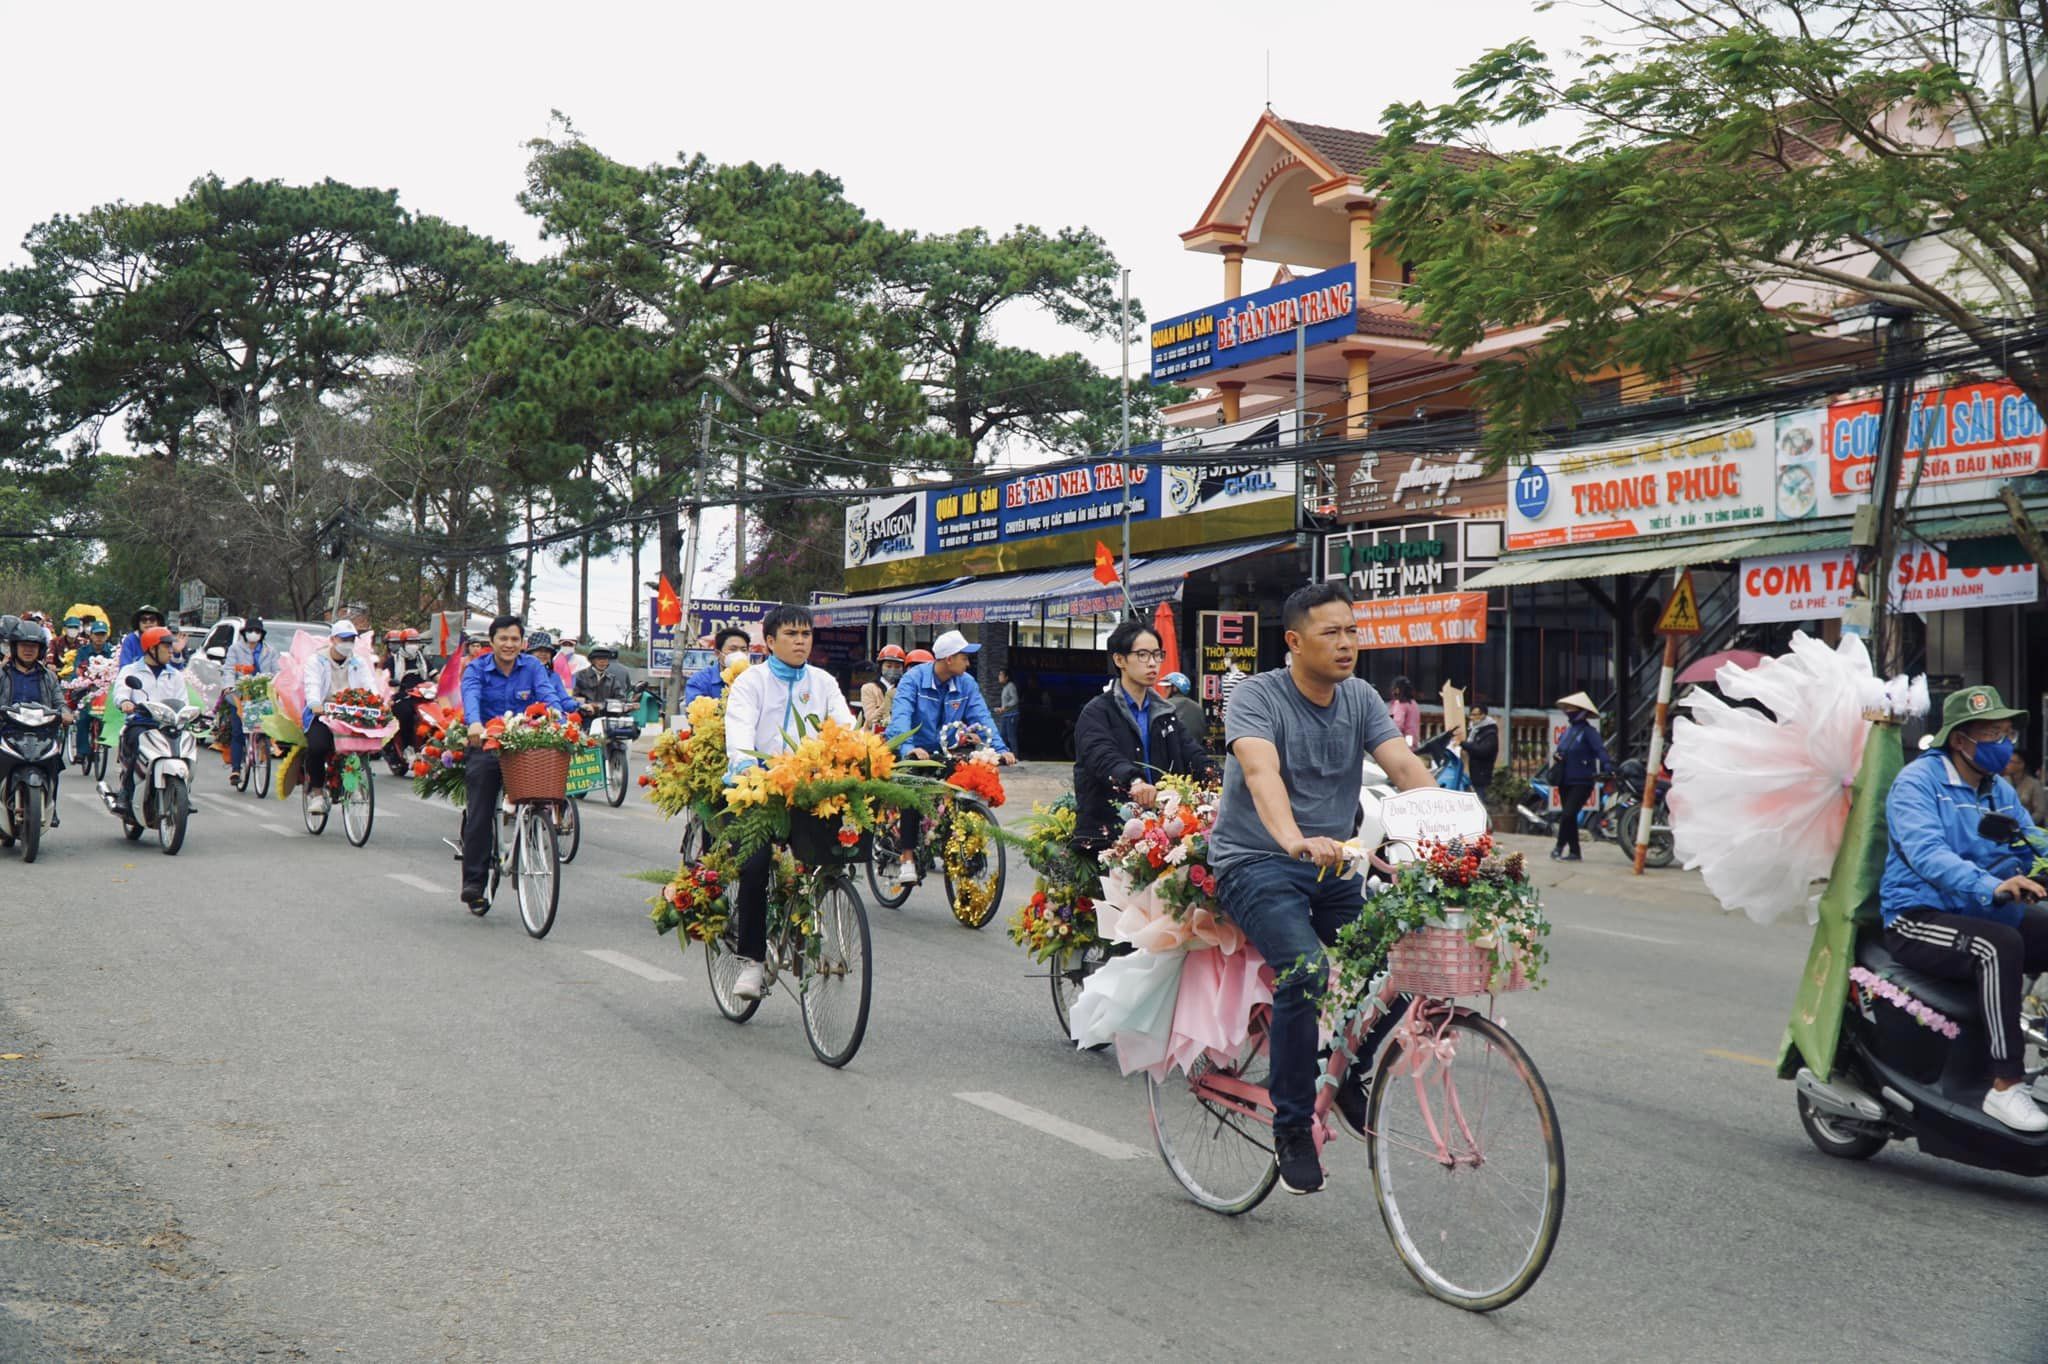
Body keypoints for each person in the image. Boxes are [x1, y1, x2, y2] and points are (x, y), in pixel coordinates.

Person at [1208, 581, 1436, 1195]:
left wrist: (1461, 831)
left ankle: (1348, 1071)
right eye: (1331, 633)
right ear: (1294, 641)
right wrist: (1291, 839)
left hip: (1334, 864)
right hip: (1256, 861)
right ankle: (1290, 1128)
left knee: (1403, 960)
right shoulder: (1256, 696)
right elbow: (1261, 773)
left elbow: (1406, 768)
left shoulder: (1360, 698)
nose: (1347, 644)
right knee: (1305, 972)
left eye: (1353, 631)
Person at [1881, 685, 2048, 1132]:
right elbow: (1927, 855)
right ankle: (2005, 1086)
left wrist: (2041, 866)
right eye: (1992, 734)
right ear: (1960, 740)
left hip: (1982, 910)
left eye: (2007, 733)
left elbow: (2031, 842)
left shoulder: (1998, 789)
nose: (2004, 744)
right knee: (1998, 947)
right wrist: (1993, 885)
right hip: (1918, 915)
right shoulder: (1918, 783)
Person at [722, 604, 857, 1000]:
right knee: (755, 862)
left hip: (810, 790)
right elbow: (740, 730)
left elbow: (844, 727)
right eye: (791, 634)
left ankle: (803, 927)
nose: (801, 641)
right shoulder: (753, 682)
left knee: (831, 853)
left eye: (806, 634)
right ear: (770, 640)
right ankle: (751, 960)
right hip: (760, 787)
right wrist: (746, 764)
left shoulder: (824, 681)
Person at [458, 616, 576, 908]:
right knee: (481, 811)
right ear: (492, 641)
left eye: (514, 639)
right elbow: (470, 696)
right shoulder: (477, 668)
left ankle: (532, 823)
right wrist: (474, 724)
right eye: (503, 639)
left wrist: (559, 719)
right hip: (486, 743)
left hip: (525, 744)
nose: (509, 645)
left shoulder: (533, 667)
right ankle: (474, 883)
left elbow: (548, 696)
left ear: (522, 643)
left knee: (541, 792)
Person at [1072, 622, 1217, 854]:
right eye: (1142, 655)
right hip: (1110, 839)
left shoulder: (1166, 714)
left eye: (1157, 655)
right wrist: (1134, 781)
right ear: (1119, 660)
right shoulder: (1097, 712)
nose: (1152, 663)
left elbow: (1193, 754)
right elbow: (1102, 755)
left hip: (1163, 836)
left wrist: (1218, 779)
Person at [886, 629, 1017, 886]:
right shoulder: (913, 679)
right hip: (916, 752)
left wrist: (1001, 750)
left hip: (946, 751)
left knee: (965, 784)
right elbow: (900, 716)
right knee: (913, 793)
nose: (968, 663)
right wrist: (909, 748)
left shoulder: (966, 683)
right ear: (949, 659)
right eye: (964, 658)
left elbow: (982, 717)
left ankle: (951, 843)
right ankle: (908, 858)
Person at [300, 621, 379, 815]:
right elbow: (312, 685)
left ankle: (354, 784)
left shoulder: (358, 662)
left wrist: (377, 703)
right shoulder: (316, 661)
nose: (347, 643)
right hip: (323, 713)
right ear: (333, 640)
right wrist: (315, 704)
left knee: (361, 746)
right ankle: (317, 793)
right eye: (343, 639)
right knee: (317, 747)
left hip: (351, 713)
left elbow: (369, 686)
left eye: (351, 640)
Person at [112, 626, 187, 817]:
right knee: (137, 747)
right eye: (166, 646)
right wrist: (126, 702)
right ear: (152, 648)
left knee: (186, 746)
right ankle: (125, 793)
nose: (171, 650)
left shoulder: (175, 675)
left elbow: (183, 701)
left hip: (169, 726)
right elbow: (120, 693)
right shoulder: (131, 671)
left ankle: (182, 793)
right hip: (141, 724)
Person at [1549, 691, 1611, 862]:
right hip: (1564, 779)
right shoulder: (1567, 732)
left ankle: (1559, 847)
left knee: (1568, 815)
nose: (1568, 711)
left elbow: (1600, 750)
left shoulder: (1589, 732)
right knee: (1569, 817)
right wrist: (1557, 756)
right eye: (1567, 708)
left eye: (1571, 708)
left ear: (1581, 711)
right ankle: (1575, 852)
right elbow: (1559, 751)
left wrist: (1608, 766)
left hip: (1583, 780)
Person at [222, 618, 280, 788]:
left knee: (264, 730)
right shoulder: (235, 649)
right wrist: (229, 686)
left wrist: (278, 687)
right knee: (238, 732)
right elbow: (228, 669)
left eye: (257, 631)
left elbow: (277, 671)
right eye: (251, 630)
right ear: (245, 633)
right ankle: (236, 769)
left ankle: (262, 749)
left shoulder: (270, 651)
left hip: (262, 696)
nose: (254, 634)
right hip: (240, 695)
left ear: (261, 634)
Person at [685, 627, 752, 705]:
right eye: (733, 649)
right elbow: (696, 710)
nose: (739, 654)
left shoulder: (753, 677)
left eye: (743, 650)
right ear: (717, 653)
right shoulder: (700, 680)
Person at [860, 644, 907, 734]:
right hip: (874, 739)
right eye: (888, 666)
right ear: (881, 667)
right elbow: (870, 721)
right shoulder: (869, 688)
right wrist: (889, 699)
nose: (893, 670)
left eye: (897, 667)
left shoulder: (906, 688)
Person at [572, 644, 631, 708]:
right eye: (599, 658)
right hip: (585, 714)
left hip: (607, 715)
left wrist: (625, 704)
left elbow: (621, 699)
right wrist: (585, 705)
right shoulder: (579, 676)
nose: (602, 662)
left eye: (605, 659)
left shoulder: (612, 679)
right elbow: (573, 697)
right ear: (592, 660)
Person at [1162, 672, 1207, 751]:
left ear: (1175, 688)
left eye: (1167, 687)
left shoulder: (1165, 706)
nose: (1164, 689)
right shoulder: (1198, 707)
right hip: (1195, 754)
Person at [1465, 698, 1502, 793]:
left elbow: (1481, 751)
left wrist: (1463, 743)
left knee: (1481, 800)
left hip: (1483, 776)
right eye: (1471, 714)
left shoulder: (1490, 733)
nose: (1471, 718)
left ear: (1483, 715)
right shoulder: (1474, 730)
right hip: (1475, 774)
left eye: (1475, 715)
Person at [2006, 750, 2048, 827]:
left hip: (2026, 827)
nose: (2007, 764)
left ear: (2021, 765)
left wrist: (2025, 823)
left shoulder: (2034, 784)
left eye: (2011, 761)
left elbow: (2040, 811)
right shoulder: (2003, 781)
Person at [1386, 675, 1421, 746]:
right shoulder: (1414, 703)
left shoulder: (1400, 704)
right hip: (1413, 739)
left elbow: (1397, 724)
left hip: (1402, 741)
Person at [995, 666, 1022, 754]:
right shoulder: (1005, 687)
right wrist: (1001, 709)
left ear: (1007, 677)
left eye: (1001, 675)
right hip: (1005, 715)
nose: (999, 677)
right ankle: (1004, 754)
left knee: (1011, 737)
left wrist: (1004, 707)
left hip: (1012, 716)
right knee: (1002, 736)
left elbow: (1015, 700)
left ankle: (1015, 756)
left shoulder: (1011, 686)